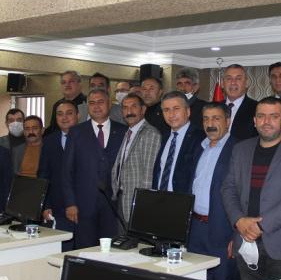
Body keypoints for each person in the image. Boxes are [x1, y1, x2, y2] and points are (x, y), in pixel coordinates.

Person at [221, 97, 281, 280]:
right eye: (261, 116)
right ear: (254, 121)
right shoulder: (240, 149)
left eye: (274, 116)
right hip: (245, 240)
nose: (266, 121)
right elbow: (228, 188)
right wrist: (239, 221)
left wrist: (260, 225)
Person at [187, 103, 240, 280]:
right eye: (206, 119)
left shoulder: (238, 149)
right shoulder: (200, 147)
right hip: (196, 230)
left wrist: (236, 234)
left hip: (223, 230)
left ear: (228, 121)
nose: (210, 123)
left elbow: (243, 195)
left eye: (216, 118)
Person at [61, 89, 128, 248]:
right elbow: (66, 171)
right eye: (92, 103)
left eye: (100, 102)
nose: (96, 106)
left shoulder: (123, 131)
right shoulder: (76, 132)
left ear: (109, 104)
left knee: (112, 250)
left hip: (113, 206)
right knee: (85, 249)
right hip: (83, 204)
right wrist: (70, 203)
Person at [111, 93, 161, 223]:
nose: (129, 112)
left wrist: (143, 207)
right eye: (125, 108)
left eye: (133, 106)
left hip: (138, 204)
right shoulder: (129, 132)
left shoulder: (150, 133)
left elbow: (149, 174)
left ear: (143, 109)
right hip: (123, 198)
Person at [39, 100, 78, 251]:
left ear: (78, 115)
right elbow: (43, 174)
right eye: (60, 114)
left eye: (69, 113)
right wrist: (46, 204)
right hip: (57, 207)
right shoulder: (49, 141)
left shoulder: (89, 138)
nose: (64, 117)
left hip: (83, 205)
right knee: (62, 250)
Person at [152, 91, 204, 193]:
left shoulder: (200, 138)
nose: (171, 114)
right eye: (166, 110)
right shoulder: (164, 137)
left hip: (185, 199)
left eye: (176, 108)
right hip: (159, 199)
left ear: (188, 111)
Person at [222, 64, 257, 141]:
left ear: (246, 83)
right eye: (229, 78)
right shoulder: (215, 108)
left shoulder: (257, 108)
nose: (233, 82)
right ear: (222, 83)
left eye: (238, 78)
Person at [45, 70, 86, 135]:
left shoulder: (89, 103)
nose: (67, 85)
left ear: (79, 84)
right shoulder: (57, 105)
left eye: (71, 81)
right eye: (63, 82)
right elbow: (53, 128)